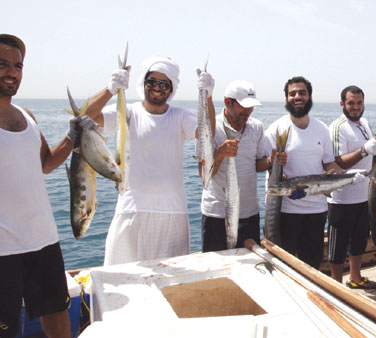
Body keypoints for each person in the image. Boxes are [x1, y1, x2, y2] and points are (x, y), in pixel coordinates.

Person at [84, 56, 216, 265]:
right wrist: (110, 89)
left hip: (173, 215)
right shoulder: (126, 112)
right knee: (119, 278)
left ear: (171, 88)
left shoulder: (180, 116)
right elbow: (86, 117)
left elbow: (208, 133)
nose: (157, 88)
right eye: (152, 81)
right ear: (143, 84)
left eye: (164, 84)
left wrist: (207, 96)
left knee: (171, 286)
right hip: (130, 211)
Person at [0, 34, 90, 338]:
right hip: (3, 250)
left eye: (17, 66)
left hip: (44, 241)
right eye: (2, 64)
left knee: (57, 314)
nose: (11, 72)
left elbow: (46, 164)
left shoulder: (27, 116)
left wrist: (73, 135)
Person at [264, 76, 347, 269]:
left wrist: (352, 176)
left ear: (310, 96)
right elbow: (268, 168)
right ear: (286, 98)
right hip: (286, 211)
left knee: (312, 263)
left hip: (317, 209)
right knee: (285, 264)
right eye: (292, 93)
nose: (297, 96)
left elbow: (329, 166)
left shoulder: (321, 129)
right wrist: (278, 169)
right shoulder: (275, 129)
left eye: (302, 92)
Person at [200, 80, 280, 251]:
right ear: (228, 102)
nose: (248, 112)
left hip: (249, 212)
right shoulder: (212, 127)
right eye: (244, 107)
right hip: (218, 214)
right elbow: (204, 174)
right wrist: (220, 153)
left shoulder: (257, 127)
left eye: (251, 107)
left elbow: (257, 164)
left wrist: (271, 161)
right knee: (216, 265)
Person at [327, 85, 376, 289]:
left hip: (364, 195)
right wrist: (364, 151)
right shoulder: (337, 126)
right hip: (342, 197)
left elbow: (371, 153)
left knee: (360, 240)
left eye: (359, 103)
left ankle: (356, 278)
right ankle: (336, 286)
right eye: (351, 103)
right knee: (338, 245)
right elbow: (338, 162)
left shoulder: (365, 123)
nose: (355, 107)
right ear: (342, 103)